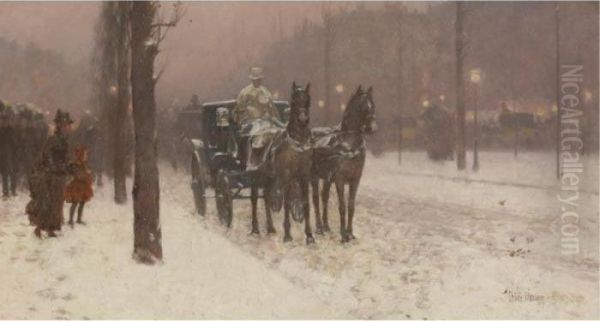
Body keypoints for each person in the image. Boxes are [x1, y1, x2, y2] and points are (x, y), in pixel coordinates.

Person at [28, 109, 73, 238]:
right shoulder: (53, 139)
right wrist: (55, 166)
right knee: (47, 202)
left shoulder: (64, 140)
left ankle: (51, 228)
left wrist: (68, 166)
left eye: (67, 124)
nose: (66, 127)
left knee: (57, 203)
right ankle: (41, 227)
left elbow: (65, 157)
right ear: (58, 125)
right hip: (50, 175)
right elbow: (46, 156)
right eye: (63, 124)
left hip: (59, 175)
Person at [232, 67, 283, 170]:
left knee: (276, 134)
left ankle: (272, 159)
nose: (257, 81)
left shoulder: (265, 92)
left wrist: (276, 119)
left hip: (266, 121)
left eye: (259, 79)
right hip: (249, 122)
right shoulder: (245, 92)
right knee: (248, 136)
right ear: (251, 79)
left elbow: (272, 108)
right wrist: (247, 116)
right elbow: (239, 109)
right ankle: (247, 159)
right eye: (255, 79)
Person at [65, 146, 93, 227]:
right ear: (81, 155)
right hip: (77, 186)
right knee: (75, 202)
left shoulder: (83, 164)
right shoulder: (76, 163)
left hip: (83, 186)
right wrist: (86, 175)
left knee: (82, 202)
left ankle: (79, 219)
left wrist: (88, 174)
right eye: (85, 154)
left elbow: (85, 174)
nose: (86, 156)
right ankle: (70, 220)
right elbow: (78, 175)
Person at [0, 101, 18, 198]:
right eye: (2, 121)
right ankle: (5, 191)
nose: (3, 122)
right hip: (3, 154)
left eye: (5, 121)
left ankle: (13, 189)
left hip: (10, 154)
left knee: (11, 173)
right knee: (4, 174)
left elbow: (15, 143)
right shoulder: (1, 130)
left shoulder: (11, 130)